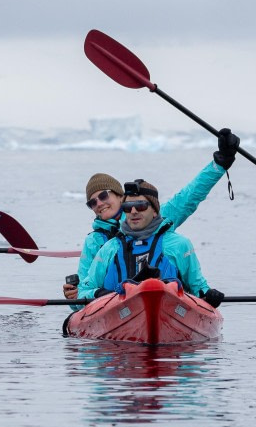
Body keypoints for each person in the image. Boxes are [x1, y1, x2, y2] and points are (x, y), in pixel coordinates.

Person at [63, 128, 240, 300]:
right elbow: (83, 295)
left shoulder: (155, 217)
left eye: (103, 196)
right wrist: (75, 297)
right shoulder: (96, 243)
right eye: (92, 203)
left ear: (120, 195)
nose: (99, 204)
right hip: (115, 309)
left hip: (165, 301)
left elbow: (190, 196)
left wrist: (220, 164)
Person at [76, 179, 225, 307]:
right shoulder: (109, 248)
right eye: (128, 208)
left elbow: (198, 287)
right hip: (118, 315)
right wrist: (99, 293)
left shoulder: (179, 244)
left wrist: (209, 295)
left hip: (168, 311)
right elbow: (83, 292)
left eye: (141, 206)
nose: (133, 211)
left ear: (154, 210)